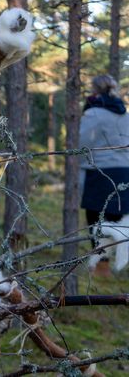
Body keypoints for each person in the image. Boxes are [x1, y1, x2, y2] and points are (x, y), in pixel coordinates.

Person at [79, 74, 129, 268]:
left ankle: (102, 265)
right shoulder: (125, 114)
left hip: (100, 171)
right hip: (125, 171)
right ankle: (118, 261)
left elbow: (82, 144)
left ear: (95, 90)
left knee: (96, 218)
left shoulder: (93, 113)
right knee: (121, 216)